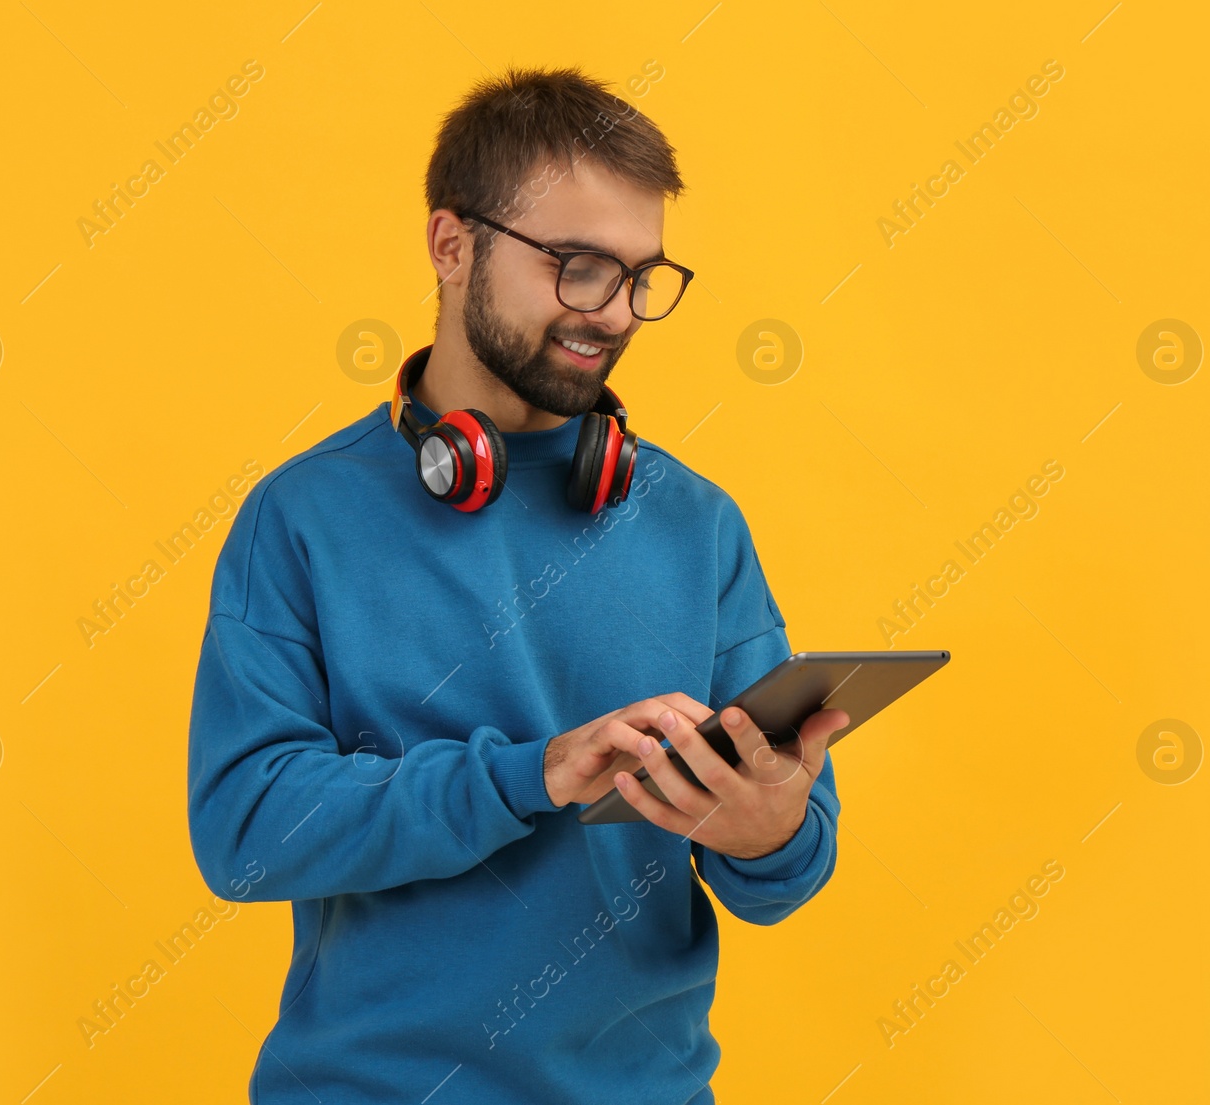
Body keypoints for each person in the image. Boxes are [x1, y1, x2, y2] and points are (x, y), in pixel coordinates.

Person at [187, 64, 849, 1105]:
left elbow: (786, 868)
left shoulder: (695, 521)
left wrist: (768, 833)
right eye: (578, 266)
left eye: (641, 276)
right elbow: (245, 832)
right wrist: (527, 774)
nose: (615, 312)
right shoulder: (302, 517)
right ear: (452, 246)